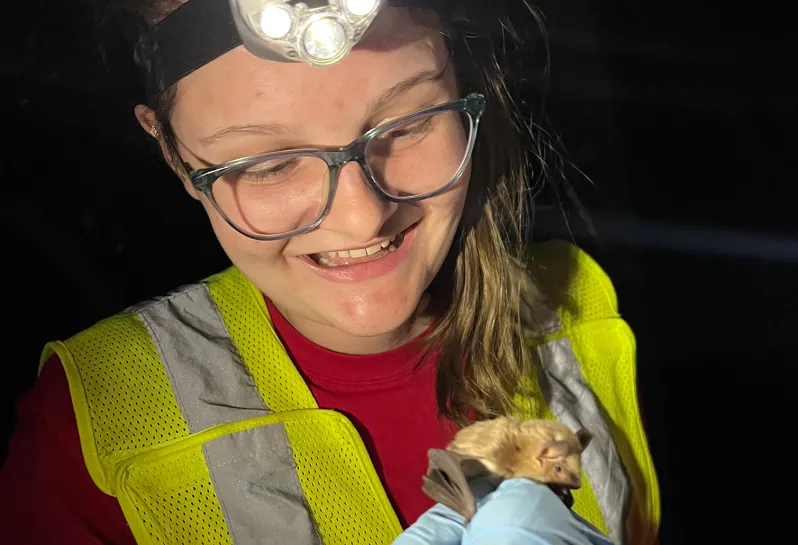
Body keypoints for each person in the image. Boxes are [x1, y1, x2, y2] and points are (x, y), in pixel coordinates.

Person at [0, 0, 660, 544]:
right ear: (175, 156)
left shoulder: (576, 310)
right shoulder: (93, 432)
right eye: (265, 164)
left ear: (466, 88)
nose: (361, 217)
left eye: (408, 124)